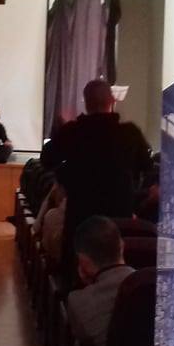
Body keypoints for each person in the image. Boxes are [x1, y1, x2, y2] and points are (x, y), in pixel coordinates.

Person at [43, 79, 152, 284]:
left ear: (86, 102)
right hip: (119, 219)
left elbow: (46, 160)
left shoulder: (72, 131)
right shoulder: (130, 133)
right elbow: (146, 166)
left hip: (80, 216)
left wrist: (66, 175)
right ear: (112, 101)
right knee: (117, 276)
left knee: (75, 278)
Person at [66, 216, 136, 346]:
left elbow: (84, 345)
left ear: (83, 262)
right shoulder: (151, 282)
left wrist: (89, 286)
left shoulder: (77, 301)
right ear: (122, 246)